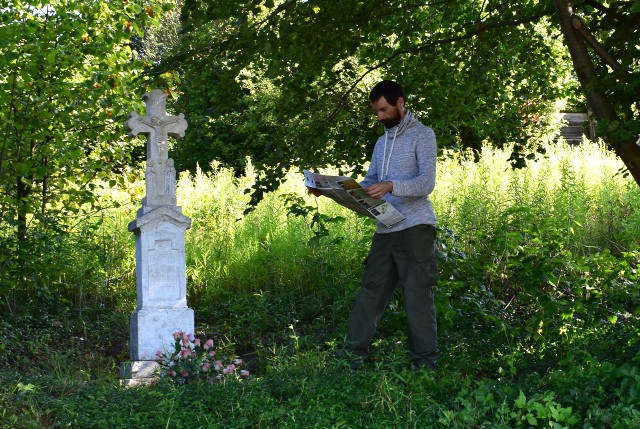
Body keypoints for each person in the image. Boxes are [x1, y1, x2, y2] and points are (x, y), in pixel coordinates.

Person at [326, 80, 440, 370]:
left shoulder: (423, 136)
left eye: (384, 110)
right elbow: (369, 182)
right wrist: (334, 189)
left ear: (400, 103)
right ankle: (352, 356)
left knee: (416, 297)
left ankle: (425, 366)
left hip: (416, 229)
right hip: (386, 228)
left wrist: (392, 186)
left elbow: (427, 183)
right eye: (376, 111)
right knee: (370, 292)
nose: (379, 116)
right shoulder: (381, 142)